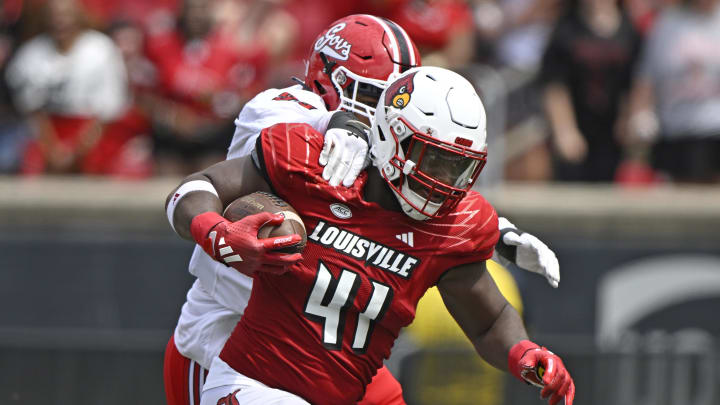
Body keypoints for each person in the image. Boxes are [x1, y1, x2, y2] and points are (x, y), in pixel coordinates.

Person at [163, 15, 561, 405]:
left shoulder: (388, 155)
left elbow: (422, 176)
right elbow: (282, 131)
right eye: (375, 97)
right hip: (227, 334)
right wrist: (337, 120)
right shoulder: (287, 121)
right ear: (332, 80)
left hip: (336, 353)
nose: (382, 110)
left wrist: (499, 234)